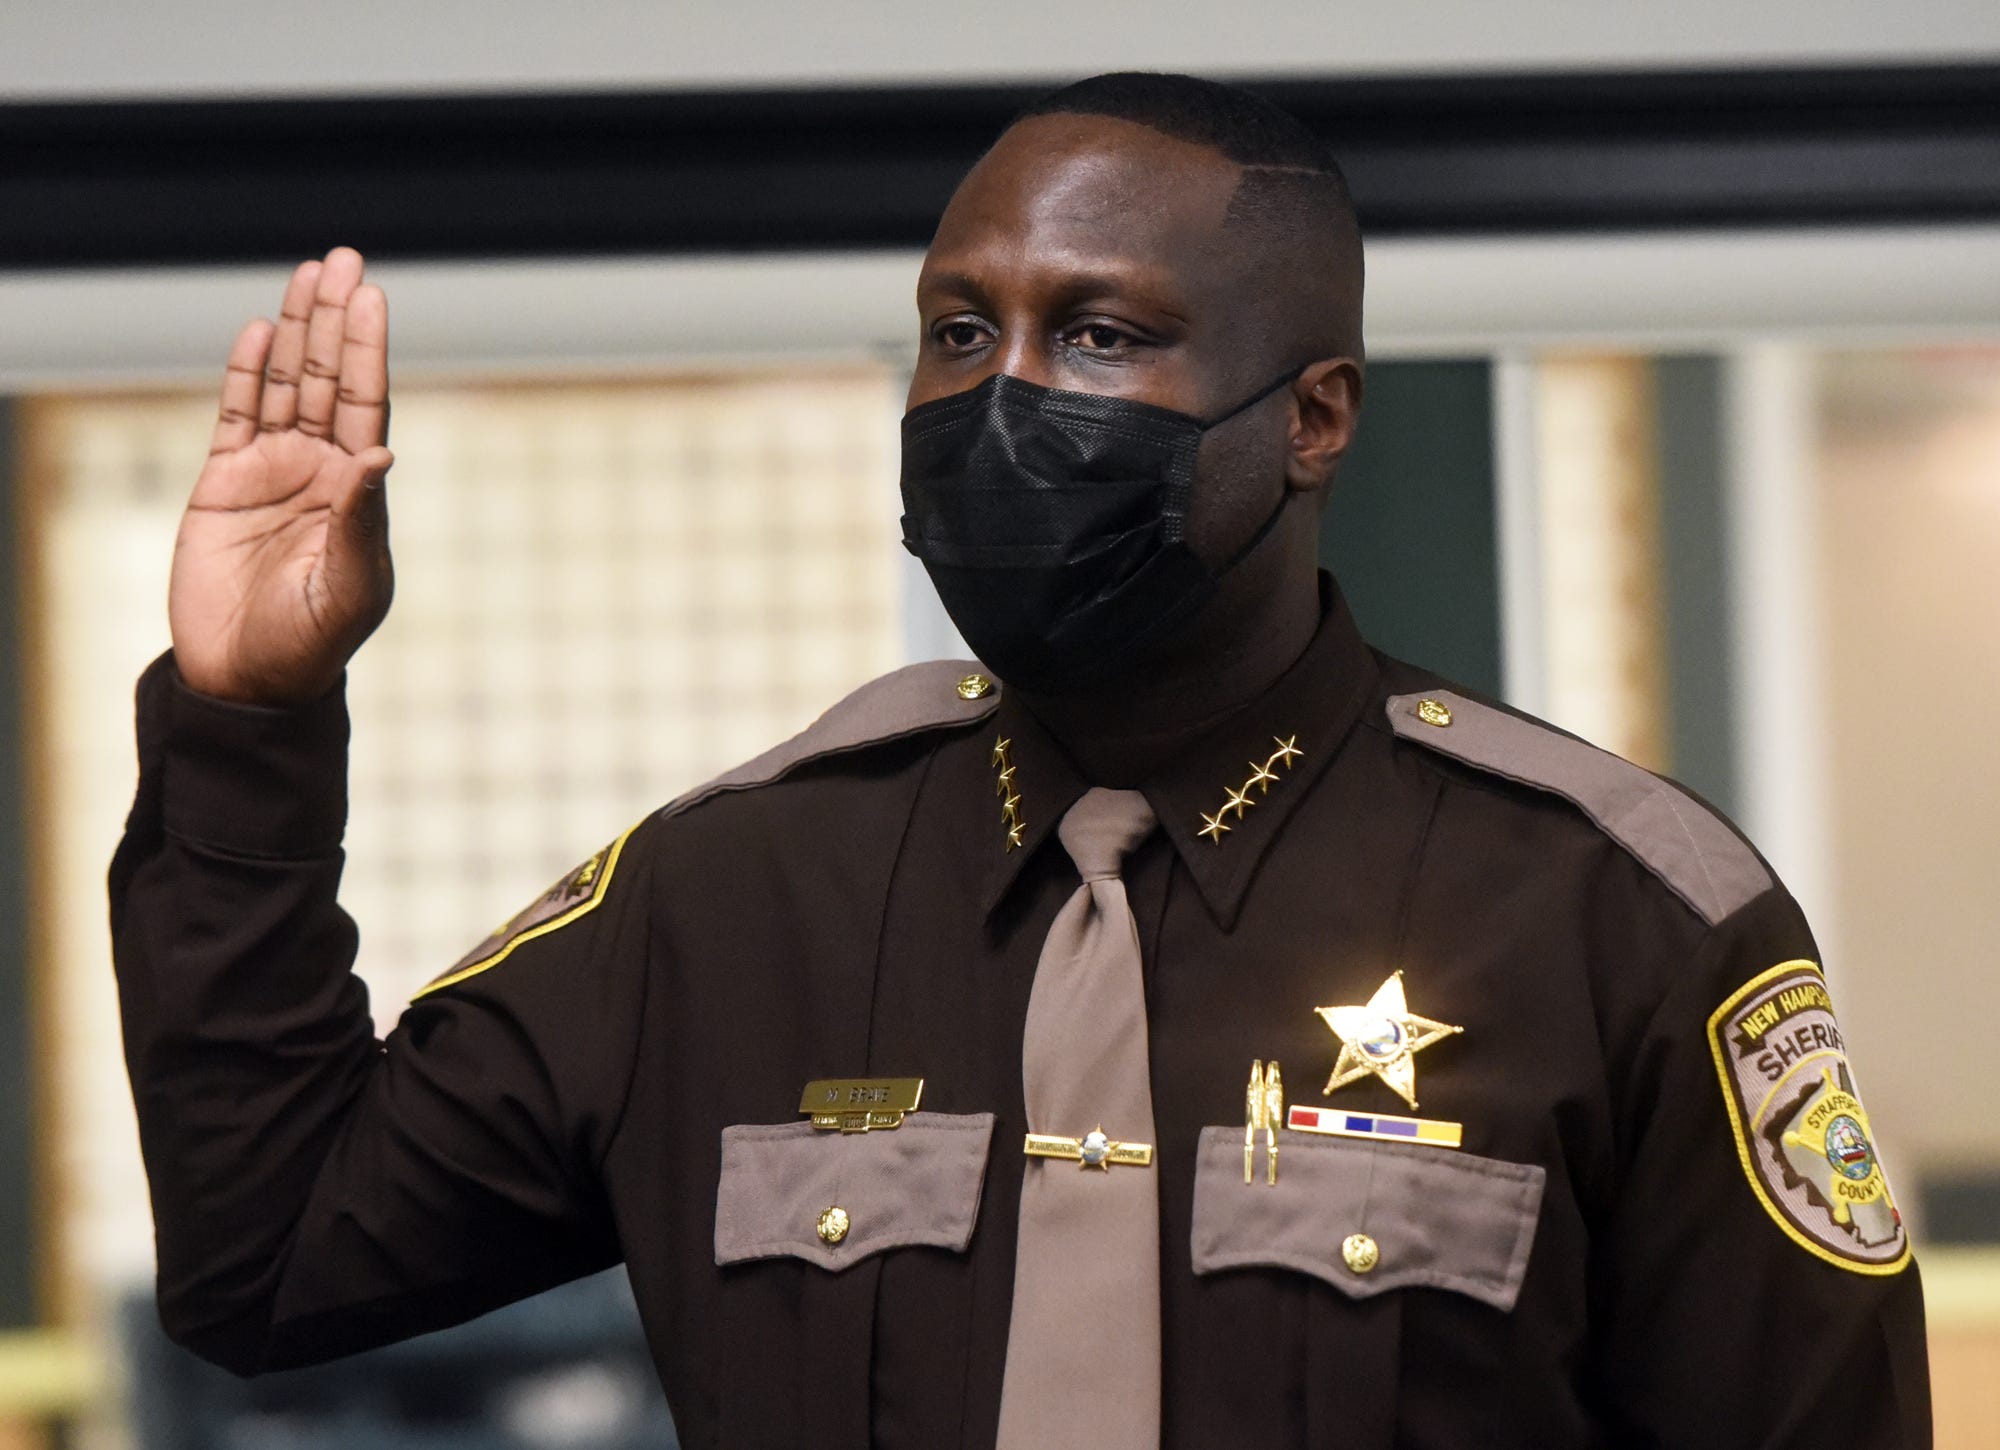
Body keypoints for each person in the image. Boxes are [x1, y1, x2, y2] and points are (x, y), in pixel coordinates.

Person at [109, 72, 1930, 1448]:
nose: (1001, 397)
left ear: (1314, 416)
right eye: (960, 331)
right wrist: (251, 722)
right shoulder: (733, 891)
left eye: (1102, 335)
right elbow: (271, 1255)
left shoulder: (1616, 911)